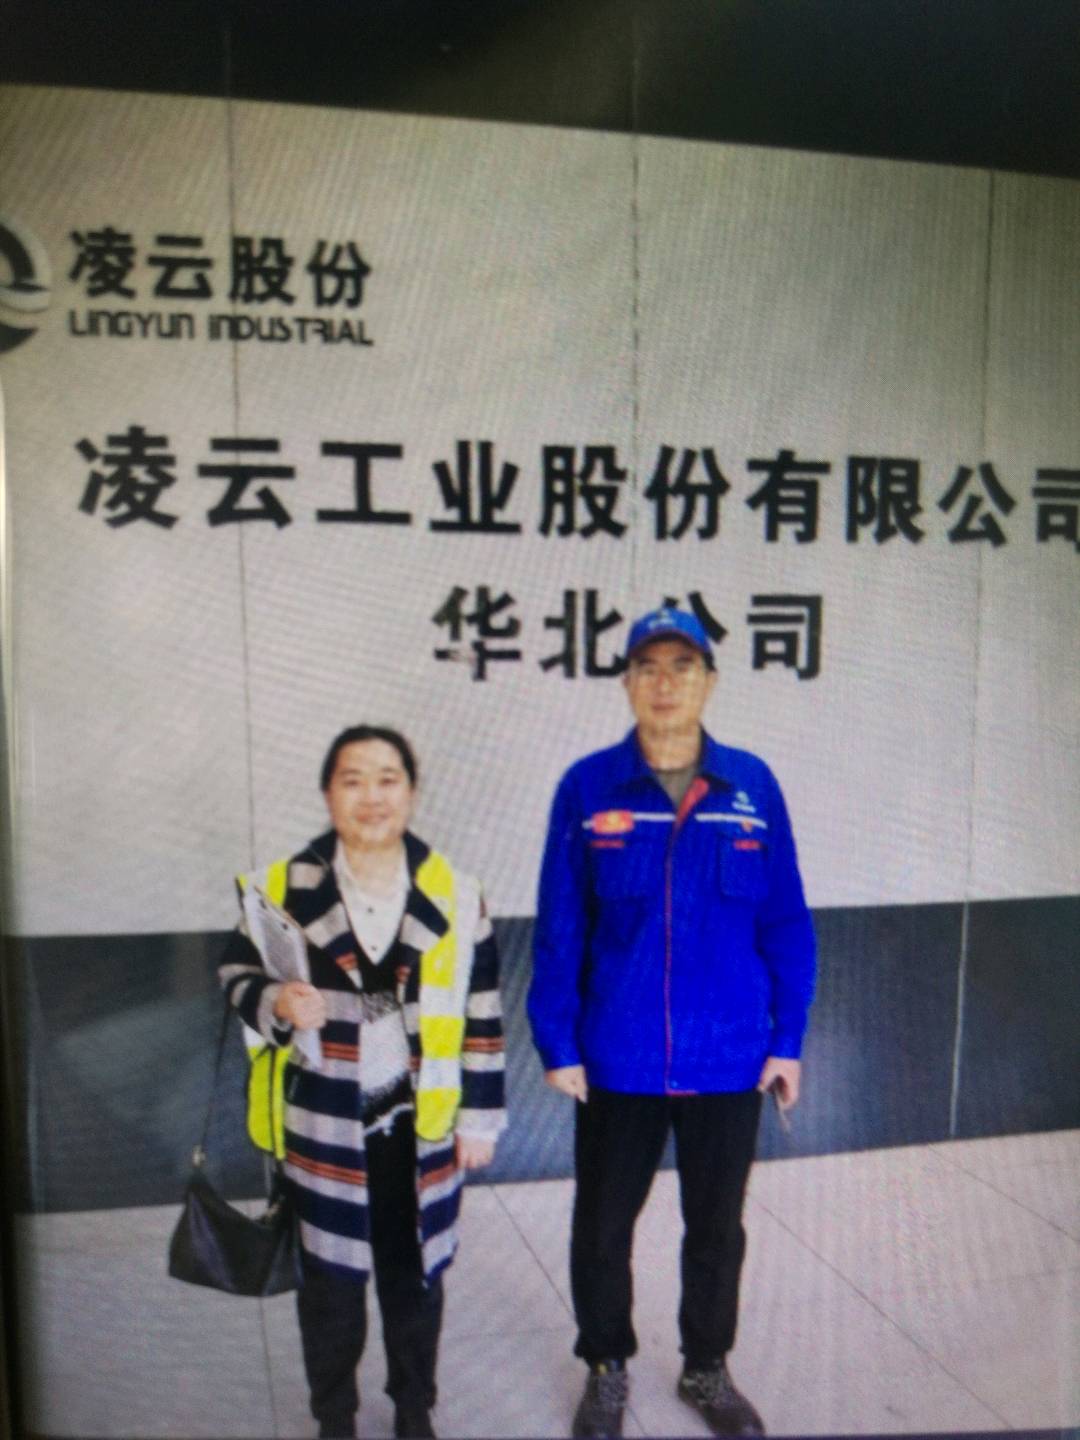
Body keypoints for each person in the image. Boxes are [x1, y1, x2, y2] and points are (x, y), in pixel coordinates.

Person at [527, 607, 816, 1439]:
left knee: (716, 1228)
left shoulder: (751, 787)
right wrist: (558, 1040)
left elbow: (786, 921)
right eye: (648, 667)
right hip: (618, 1056)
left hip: (729, 1054)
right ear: (626, 683)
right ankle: (606, 1367)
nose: (665, 683)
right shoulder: (588, 788)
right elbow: (560, 926)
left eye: (682, 666)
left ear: (709, 682)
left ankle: (705, 1367)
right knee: (602, 1225)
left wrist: (787, 1039)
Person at [219, 725, 506, 1440]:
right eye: (353, 780)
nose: (371, 796)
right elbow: (235, 974)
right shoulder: (281, 887)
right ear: (328, 793)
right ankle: (335, 1418)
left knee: (416, 1283)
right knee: (330, 1289)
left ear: (411, 792)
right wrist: (277, 1002)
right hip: (323, 1129)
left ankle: (413, 1408)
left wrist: (479, 1120)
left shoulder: (456, 893)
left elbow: (481, 1015)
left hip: (420, 1132)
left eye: (387, 779)